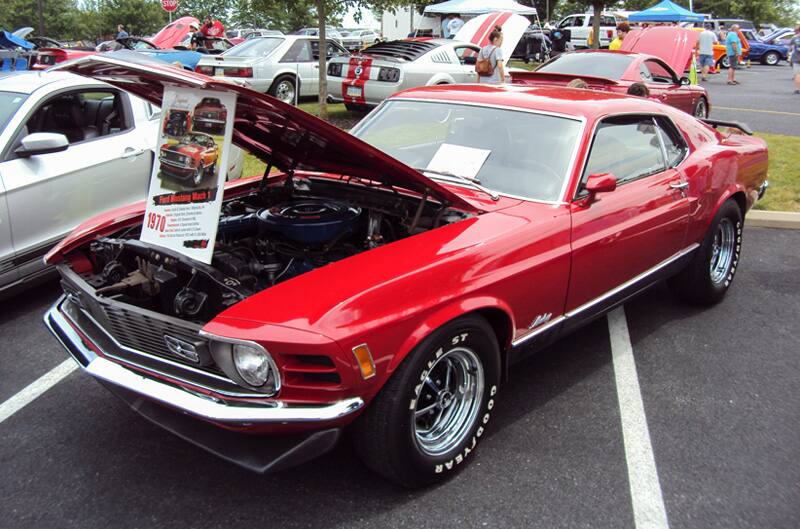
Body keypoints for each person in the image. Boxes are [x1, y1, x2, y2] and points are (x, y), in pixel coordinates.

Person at [791, 26, 800, 94]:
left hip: (797, 58)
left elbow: (792, 47)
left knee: (797, 74)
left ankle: (797, 89)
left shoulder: (794, 38)